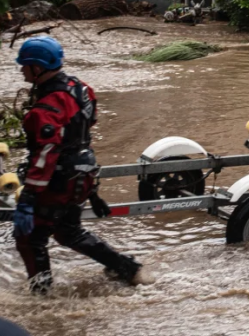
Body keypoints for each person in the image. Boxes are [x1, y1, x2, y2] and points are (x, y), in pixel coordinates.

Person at [12, 37, 154, 294]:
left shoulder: (45, 109)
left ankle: (41, 296)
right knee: (68, 232)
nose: (21, 69)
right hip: (82, 173)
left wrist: (29, 196)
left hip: (57, 180)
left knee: (30, 238)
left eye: (25, 65)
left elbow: (47, 151)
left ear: (37, 68)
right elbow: (87, 125)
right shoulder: (81, 88)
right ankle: (129, 269)